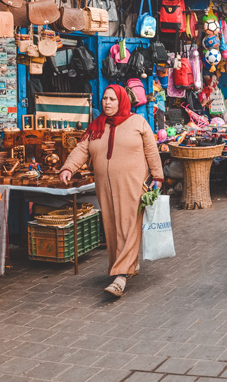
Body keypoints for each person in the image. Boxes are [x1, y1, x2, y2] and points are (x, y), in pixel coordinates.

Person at [60, 85, 163, 298]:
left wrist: (158, 176)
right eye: (105, 98)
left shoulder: (137, 122)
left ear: (122, 101)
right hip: (105, 187)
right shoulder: (97, 126)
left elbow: (151, 150)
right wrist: (69, 167)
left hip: (133, 184)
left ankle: (121, 277)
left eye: (112, 99)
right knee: (112, 228)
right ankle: (126, 266)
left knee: (128, 226)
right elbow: (81, 149)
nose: (107, 103)